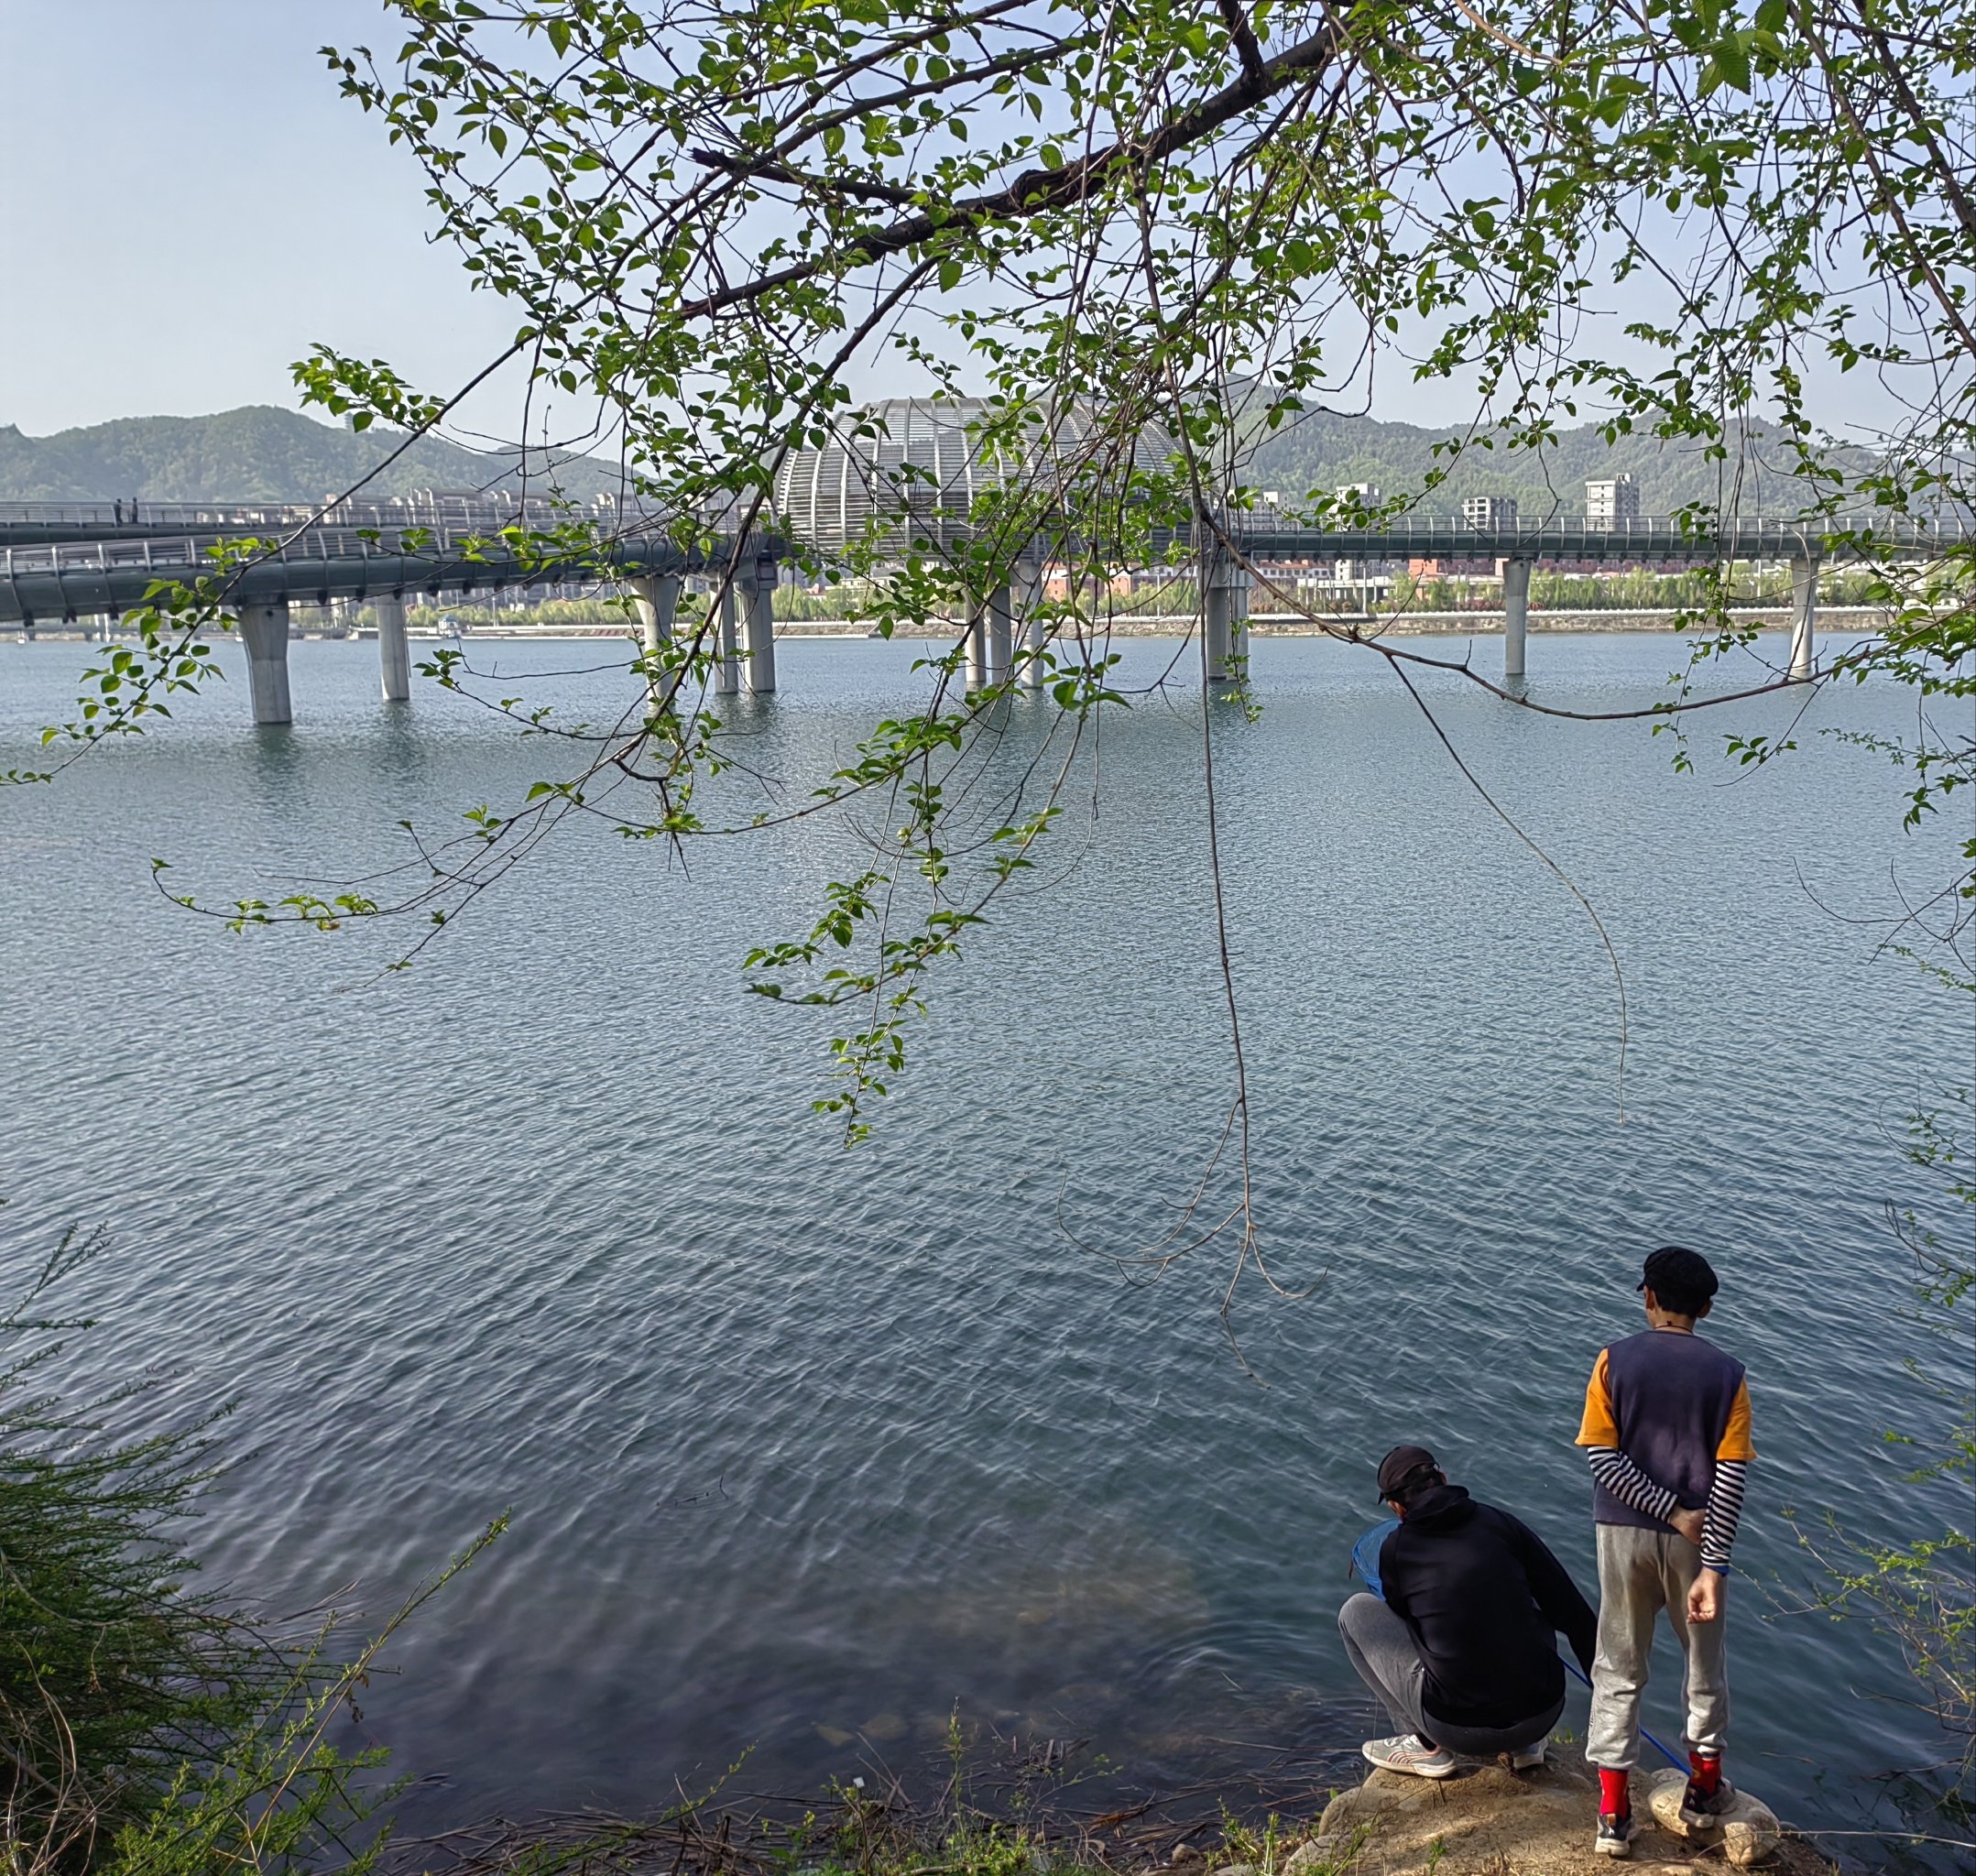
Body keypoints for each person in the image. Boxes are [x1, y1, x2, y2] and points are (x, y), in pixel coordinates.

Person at [1577, 1246, 1754, 1859]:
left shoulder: (1611, 1362)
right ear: (1705, 1308)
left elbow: (1602, 1460)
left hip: (1621, 1535)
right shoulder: (1728, 1374)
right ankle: (1704, 1795)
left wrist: (1664, 1510)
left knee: (1618, 1666)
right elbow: (1729, 1477)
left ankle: (1610, 1814)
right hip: (1696, 1542)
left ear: (1647, 1296)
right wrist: (1711, 1560)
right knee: (1704, 1665)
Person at [1338, 1444, 1597, 1780]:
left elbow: (1406, 1623)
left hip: (1458, 1729)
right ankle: (1527, 1746)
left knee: (1354, 1612)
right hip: (1542, 1713)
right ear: (1443, 1478)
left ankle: (1427, 1746)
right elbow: (1578, 1617)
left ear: (1397, 1508)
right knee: (1521, 1594)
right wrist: (1609, 1708)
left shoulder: (1395, 1551)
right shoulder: (1502, 1524)